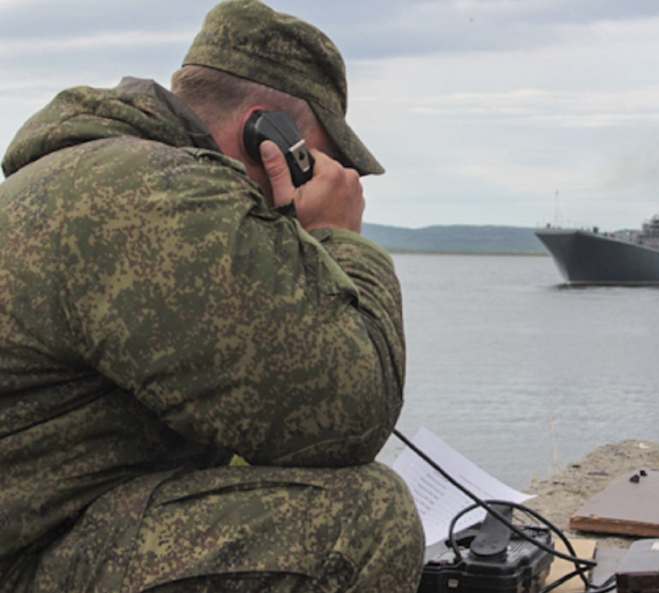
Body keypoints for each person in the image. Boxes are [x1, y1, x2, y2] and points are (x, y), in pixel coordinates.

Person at [0, 1, 424, 592]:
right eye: (318, 158)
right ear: (266, 134)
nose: (324, 178)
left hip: (40, 534)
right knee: (365, 519)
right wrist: (338, 240)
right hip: (26, 562)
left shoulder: (100, 175)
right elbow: (349, 415)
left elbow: (268, 422)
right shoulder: (159, 194)